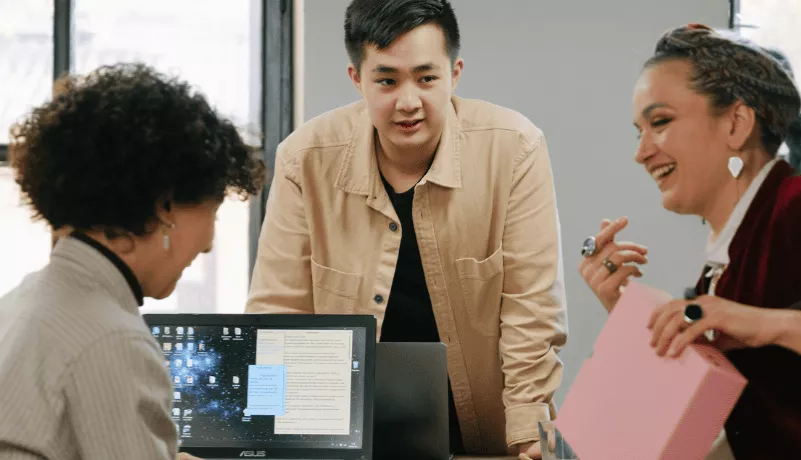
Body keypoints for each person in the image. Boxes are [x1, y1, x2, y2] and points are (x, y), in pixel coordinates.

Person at [245, 0, 567, 457]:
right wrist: (268, 440)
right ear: (357, 79)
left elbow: (530, 310)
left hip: (484, 437)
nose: (408, 101)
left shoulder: (514, 148)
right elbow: (279, 313)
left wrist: (529, 433)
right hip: (338, 437)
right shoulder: (306, 158)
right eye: (387, 81)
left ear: (455, 73)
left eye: (426, 78)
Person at [579, 24, 801, 459]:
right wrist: (628, 311)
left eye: (660, 122)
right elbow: (716, 428)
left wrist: (769, 324)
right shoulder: (723, 263)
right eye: (638, 131)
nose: (640, 152)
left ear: (736, 123)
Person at [0, 63, 265, 460]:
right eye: (213, 210)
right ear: (164, 208)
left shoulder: (26, 300)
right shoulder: (113, 339)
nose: (209, 244)